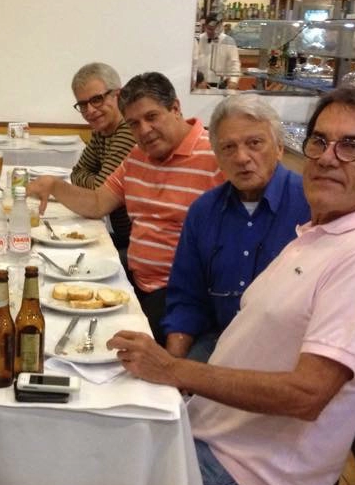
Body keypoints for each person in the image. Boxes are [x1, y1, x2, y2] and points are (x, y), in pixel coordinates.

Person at [109, 87, 355, 485]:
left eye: (351, 146)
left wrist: (174, 370)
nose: (328, 157)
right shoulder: (320, 233)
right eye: (320, 142)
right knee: (87, 436)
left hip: (251, 477)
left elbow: (307, 396)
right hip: (219, 433)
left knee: (80, 484)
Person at [29, 72, 222, 341]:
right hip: (134, 278)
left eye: (152, 117)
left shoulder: (217, 156)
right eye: (133, 123)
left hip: (178, 292)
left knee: (99, 341)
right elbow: (98, 203)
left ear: (175, 108)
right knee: (52, 293)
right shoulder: (137, 155)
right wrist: (54, 187)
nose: (143, 130)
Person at [162, 95, 310, 362]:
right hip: (219, 343)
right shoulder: (203, 211)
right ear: (217, 157)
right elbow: (187, 298)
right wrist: (173, 369)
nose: (242, 158)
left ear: (279, 148)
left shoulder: (314, 205)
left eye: (255, 143)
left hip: (291, 354)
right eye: (228, 147)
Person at [69, 62, 137, 251]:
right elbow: (76, 174)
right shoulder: (103, 130)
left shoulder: (128, 131)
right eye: (83, 104)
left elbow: (100, 192)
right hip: (124, 237)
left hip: (136, 245)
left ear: (118, 95)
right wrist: (97, 179)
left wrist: (98, 181)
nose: (90, 110)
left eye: (97, 99)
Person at [193, 14, 241, 90]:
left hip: (222, 86)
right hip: (200, 86)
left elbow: (234, 64)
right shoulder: (198, 40)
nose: (213, 32)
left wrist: (233, 81)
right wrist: (197, 79)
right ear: (205, 26)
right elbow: (193, 63)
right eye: (210, 29)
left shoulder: (229, 41)